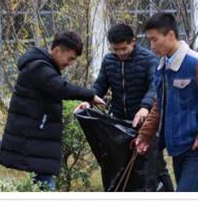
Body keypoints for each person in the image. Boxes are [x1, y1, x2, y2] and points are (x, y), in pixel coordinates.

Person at [134, 13, 198, 192]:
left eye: (155, 40)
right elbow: (160, 104)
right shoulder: (163, 65)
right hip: (176, 147)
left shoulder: (197, 64)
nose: (152, 46)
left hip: (197, 148)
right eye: (149, 41)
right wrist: (145, 135)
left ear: (170, 35)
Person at [0, 31, 106, 190]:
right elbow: (61, 88)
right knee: (45, 184)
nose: (71, 63)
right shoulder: (38, 67)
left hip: (38, 137)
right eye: (70, 58)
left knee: (42, 182)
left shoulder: (43, 65)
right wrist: (90, 95)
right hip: (35, 138)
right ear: (57, 50)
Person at [75, 23, 174, 191]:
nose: (120, 53)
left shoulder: (149, 59)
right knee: (121, 162)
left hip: (146, 121)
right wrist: (89, 100)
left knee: (155, 164)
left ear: (133, 41)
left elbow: (155, 87)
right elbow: (100, 85)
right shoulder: (109, 61)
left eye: (123, 49)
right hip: (119, 122)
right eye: (116, 50)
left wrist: (145, 107)